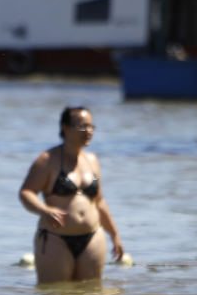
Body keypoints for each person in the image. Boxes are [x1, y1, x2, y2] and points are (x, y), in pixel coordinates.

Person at [18, 106, 124, 283]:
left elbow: (99, 201)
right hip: (55, 239)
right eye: (82, 126)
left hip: (92, 237)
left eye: (91, 126)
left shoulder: (92, 160)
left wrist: (114, 234)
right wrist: (44, 210)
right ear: (65, 128)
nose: (88, 131)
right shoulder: (47, 160)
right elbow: (26, 193)